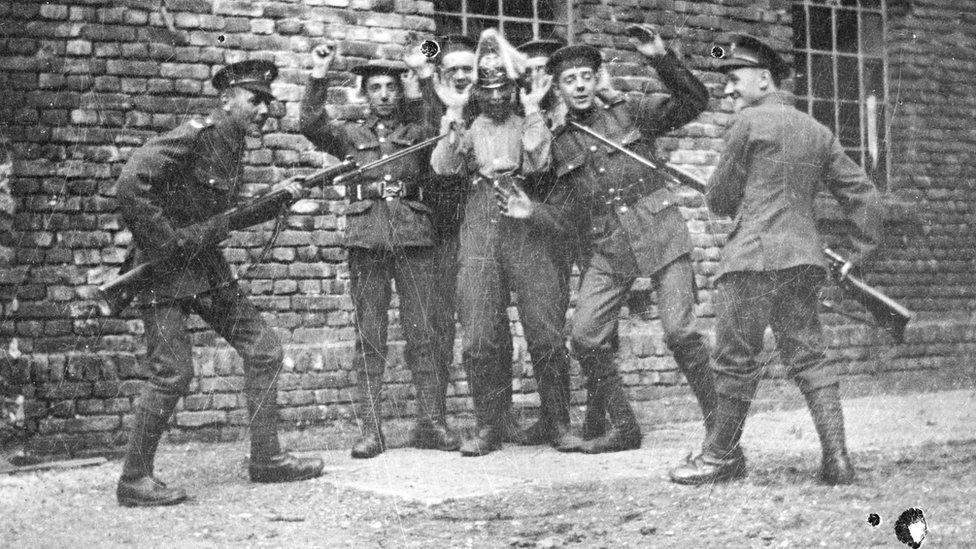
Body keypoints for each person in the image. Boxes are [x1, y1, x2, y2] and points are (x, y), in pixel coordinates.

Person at [669, 34, 881, 485]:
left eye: (735, 79)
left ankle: (717, 458)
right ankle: (838, 460)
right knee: (810, 358)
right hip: (802, 263)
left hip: (750, 263)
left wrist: (723, 192)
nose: (728, 91)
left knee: (734, 360)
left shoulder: (747, 125)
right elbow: (862, 194)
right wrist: (859, 254)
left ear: (764, 79)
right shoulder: (818, 131)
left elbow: (722, 200)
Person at [115, 60, 324, 507]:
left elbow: (220, 218)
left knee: (264, 348)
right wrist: (164, 242)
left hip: (204, 267)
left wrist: (279, 196)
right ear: (226, 100)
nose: (264, 111)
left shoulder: (231, 144)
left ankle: (268, 459)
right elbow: (132, 182)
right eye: (255, 101)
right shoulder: (196, 133)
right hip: (164, 271)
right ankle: (134, 479)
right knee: (172, 372)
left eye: (267, 103)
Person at [539, 27, 716, 454]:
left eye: (586, 75)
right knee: (585, 336)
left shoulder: (632, 112)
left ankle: (720, 424)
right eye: (569, 79)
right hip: (610, 245)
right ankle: (624, 428)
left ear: (598, 78)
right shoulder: (557, 142)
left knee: (680, 332)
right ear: (558, 89)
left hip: (660, 232)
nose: (579, 84)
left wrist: (661, 58)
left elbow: (694, 102)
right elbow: (558, 206)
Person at [299, 44, 460, 459]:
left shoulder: (420, 131)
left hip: (413, 237)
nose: (385, 94)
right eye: (376, 88)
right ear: (364, 94)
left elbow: (441, 118)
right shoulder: (351, 134)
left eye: (391, 86)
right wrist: (319, 74)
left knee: (423, 332)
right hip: (368, 239)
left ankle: (431, 422)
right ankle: (371, 431)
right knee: (369, 336)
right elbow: (310, 122)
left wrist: (423, 75)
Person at [430, 29, 581, 456]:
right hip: (480, 224)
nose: (495, 96)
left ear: (514, 88)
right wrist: (454, 114)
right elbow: (443, 168)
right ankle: (490, 425)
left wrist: (532, 110)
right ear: (477, 90)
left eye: (503, 88)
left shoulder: (528, 122)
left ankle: (557, 422)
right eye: (486, 88)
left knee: (546, 331)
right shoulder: (468, 124)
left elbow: (539, 162)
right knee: (479, 334)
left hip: (525, 220)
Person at [406, 34, 528, 445]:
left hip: (507, 224)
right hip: (448, 231)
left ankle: (504, 417)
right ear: (440, 75)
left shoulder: (507, 109)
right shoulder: (438, 111)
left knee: (505, 327)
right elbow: (437, 167)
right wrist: (450, 115)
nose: (464, 76)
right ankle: (469, 421)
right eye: (454, 70)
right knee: (469, 330)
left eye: (469, 70)